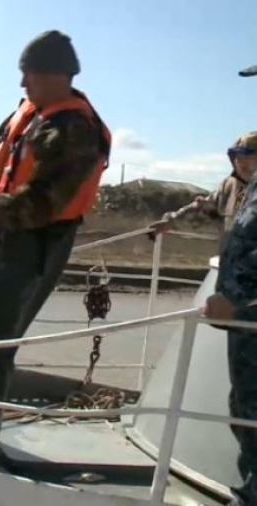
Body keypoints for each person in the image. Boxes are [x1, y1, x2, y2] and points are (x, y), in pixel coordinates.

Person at [0, 30, 112, 466]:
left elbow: (41, 204)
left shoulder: (74, 130)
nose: (21, 85)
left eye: (27, 75)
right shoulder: (32, 111)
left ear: (56, 75)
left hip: (38, 243)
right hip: (7, 233)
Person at [203, 132, 257, 506]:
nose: (240, 159)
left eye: (247, 152)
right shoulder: (247, 189)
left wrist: (242, 305)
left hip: (248, 316)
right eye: (236, 153)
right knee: (243, 408)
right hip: (243, 326)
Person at [150, 133, 257, 244]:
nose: (240, 161)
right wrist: (170, 222)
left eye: (248, 155)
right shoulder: (230, 186)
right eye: (237, 155)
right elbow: (205, 210)